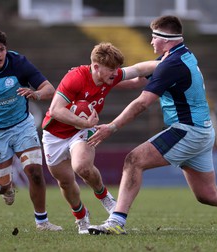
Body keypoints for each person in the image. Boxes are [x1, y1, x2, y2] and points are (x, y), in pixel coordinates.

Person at [87, 15, 217, 235]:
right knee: (208, 194)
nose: (151, 41)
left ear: (166, 39)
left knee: (133, 161)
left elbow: (142, 103)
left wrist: (112, 127)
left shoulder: (170, 64)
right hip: (200, 131)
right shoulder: (179, 56)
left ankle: (116, 221)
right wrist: (101, 82)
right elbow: (138, 78)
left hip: (187, 130)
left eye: (154, 37)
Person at [41, 42, 159, 234]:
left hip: (80, 132)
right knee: (64, 181)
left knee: (81, 167)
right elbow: (55, 110)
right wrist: (85, 123)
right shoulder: (75, 78)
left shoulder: (111, 76)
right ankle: (81, 216)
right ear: (96, 67)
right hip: (55, 134)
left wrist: (167, 63)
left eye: (117, 69)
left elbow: (138, 69)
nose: (115, 73)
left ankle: (104, 196)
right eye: (112, 69)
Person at [0, 29, 62, 232]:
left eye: (1, 50)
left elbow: (50, 89)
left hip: (22, 126)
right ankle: (7, 189)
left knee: (34, 172)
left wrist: (36, 94)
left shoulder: (19, 63)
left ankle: (42, 222)